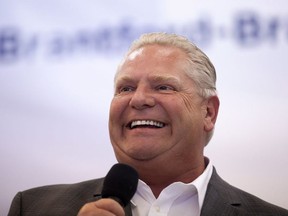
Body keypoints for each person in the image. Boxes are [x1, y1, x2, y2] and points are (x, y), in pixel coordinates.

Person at [8, 32, 288, 216]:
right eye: (125, 88)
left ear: (208, 113)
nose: (139, 99)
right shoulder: (33, 207)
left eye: (164, 87)